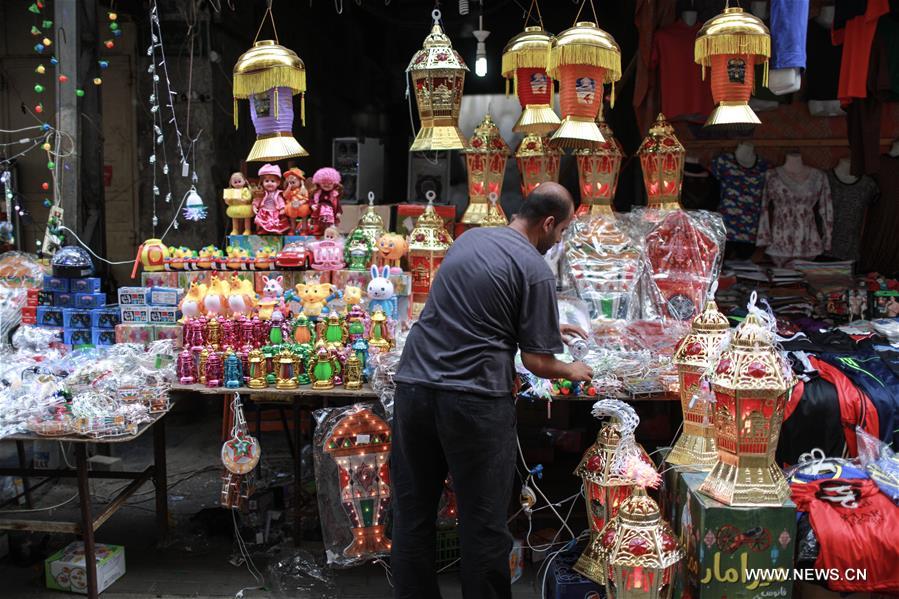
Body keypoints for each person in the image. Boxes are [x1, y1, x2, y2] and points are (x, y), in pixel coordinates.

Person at [390, 182, 593, 599]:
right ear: (549, 223)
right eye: (561, 232)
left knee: (413, 514)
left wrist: (548, 328)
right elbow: (538, 363)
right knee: (482, 523)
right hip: (473, 399)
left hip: (415, 387)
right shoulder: (535, 268)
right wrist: (574, 369)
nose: (558, 241)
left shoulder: (471, 240)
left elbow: (479, 309)